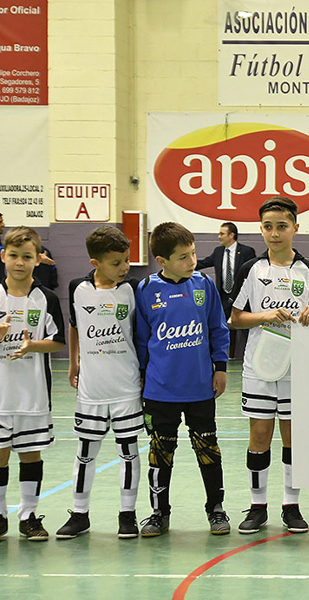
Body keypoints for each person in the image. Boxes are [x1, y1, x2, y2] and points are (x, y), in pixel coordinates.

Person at [230, 197, 309, 535]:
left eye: (281, 226)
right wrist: (264, 316)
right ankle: (257, 507)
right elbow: (235, 318)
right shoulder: (251, 271)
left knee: (292, 438)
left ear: (295, 228)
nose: (274, 233)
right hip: (259, 366)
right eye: (268, 227)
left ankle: (291, 505)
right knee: (259, 435)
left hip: (295, 368)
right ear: (261, 229)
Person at [134, 222, 231, 537]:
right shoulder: (147, 290)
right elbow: (141, 339)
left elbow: (218, 328)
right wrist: (142, 379)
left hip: (200, 387)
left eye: (193, 254)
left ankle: (216, 509)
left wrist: (220, 368)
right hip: (160, 390)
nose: (192, 262)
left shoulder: (203, 285)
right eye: (183, 257)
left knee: (208, 450)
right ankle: (159, 513)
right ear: (162, 261)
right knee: (160, 453)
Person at [55, 226, 144, 540]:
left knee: (129, 453)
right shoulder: (77, 287)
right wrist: (74, 361)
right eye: (116, 262)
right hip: (92, 389)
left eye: (126, 260)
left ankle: (127, 514)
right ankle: (80, 514)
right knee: (85, 453)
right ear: (95, 263)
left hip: (126, 388)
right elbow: (74, 325)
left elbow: (140, 334)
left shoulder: (133, 288)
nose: (124, 267)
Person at [0, 226, 66, 541]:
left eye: (27, 256)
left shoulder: (46, 298)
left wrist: (33, 346)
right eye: (14, 255)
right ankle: (0, 515)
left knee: (30, 455)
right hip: (0, 396)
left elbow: (58, 342)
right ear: (3, 256)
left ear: (38, 259)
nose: (19, 262)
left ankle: (28, 516)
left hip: (33, 395)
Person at [196, 222, 256, 359]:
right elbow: (204, 263)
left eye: (222, 234)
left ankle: (251, 356)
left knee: (246, 328)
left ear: (231, 235)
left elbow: (252, 271)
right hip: (223, 296)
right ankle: (216, 355)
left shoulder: (247, 251)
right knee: (218, 326)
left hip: (241, 296)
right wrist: (188, 264)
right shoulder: (218, 251)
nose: (219, 236)